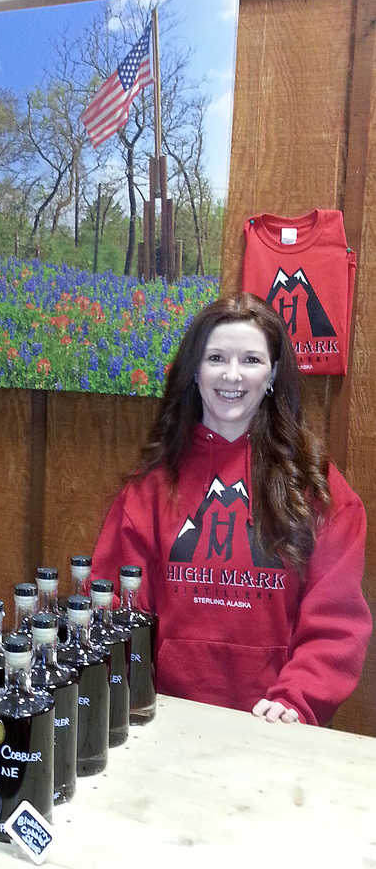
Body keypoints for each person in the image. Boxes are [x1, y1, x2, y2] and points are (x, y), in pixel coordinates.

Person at [91, 293, 370, 726]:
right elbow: (114, 610)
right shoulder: (149, 489)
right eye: (216, 357)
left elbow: (336, 621)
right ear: (194, 372)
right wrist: (128, 695)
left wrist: (297, 699)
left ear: (273, 372)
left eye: (251, 360)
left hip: (275, 725)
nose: (233, 375)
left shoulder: (318, 488)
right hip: (163, 717)